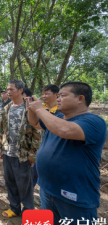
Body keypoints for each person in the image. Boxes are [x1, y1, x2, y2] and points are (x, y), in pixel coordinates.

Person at [27, 82, 106, 225]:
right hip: (47, 188)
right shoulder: (56, 117)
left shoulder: (94, 121)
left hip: (74, 196)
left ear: (80, 99)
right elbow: (35, 123)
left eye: (62, 95)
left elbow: (65, 130)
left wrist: (40, 109)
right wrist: (32, 109)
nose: (58, 99)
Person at [0, 80, 41, 218]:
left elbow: (37, 133)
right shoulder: (6, 108)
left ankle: (28, 212)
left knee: (25, 185)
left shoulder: (30, 109)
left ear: (21, 90)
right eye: (7, 89)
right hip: (8, 152)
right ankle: (14, 208)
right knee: (10, 181)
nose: (8, 92)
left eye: (11, 89)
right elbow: (2, 129)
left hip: (23, 154)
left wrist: (33, 155)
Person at [31, 84, 62, 187]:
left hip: (52, 148)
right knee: (33, 173)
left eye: (47, 94)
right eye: (42, 94)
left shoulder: (61, 111)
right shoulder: (40, 108)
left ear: (56, 95)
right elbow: (34, 124)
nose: (43, 96)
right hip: (37, 146)